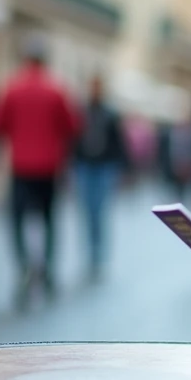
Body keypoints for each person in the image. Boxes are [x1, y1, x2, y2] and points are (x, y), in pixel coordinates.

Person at [0, 36, 81, 305]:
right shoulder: (57, 89)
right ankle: (47, 269)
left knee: (17, 220)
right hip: (49, 167)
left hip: (21, 167)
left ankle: (24, 265)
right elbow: (72, 126)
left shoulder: (12, 87)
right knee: (49, 220)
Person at [71, 74, 129, 282]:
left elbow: (119, 142)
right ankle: (89, 255)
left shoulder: (110, 113)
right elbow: (72, 139)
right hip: (84, 166)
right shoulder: (81, 112)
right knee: (87, 212)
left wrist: (122, 168)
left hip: (104, 167)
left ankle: (98, 256)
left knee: (100, 212)